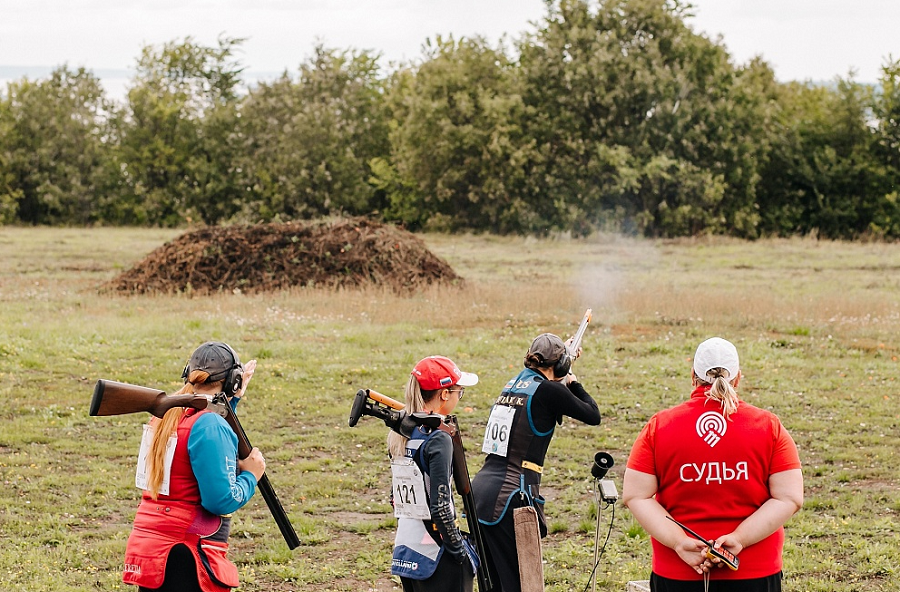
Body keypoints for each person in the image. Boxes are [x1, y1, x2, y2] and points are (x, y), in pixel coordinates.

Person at [622, 337, 804, 592]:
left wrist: (678, 543)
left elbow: (636, 495)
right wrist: (739, 539)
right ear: (738, 377)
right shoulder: (768, 426)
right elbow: (789, 498)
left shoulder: (659, 426)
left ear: (693, 377)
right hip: (753, 571)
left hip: (678, 572)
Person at [123, 341, 266, 592]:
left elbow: (201, 427)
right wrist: (251, 476)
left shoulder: (165, 416)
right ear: (233, 380)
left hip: (155, 549)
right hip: (187, 552)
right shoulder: (210, 425)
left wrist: (232, 402)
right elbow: (220, 501)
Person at [471, 333, 601, 592]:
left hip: (481, 496)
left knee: (493, 584)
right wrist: (573, 382)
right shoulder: (550, 390)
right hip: (511, 497)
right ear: (561, 365)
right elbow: (592, 414)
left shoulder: (512, 384)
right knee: (522, 584)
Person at [387, 355, 480, 592]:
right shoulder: (438, 438)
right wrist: (459, 552)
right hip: (436, 553)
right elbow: (440, 505)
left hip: (407, 547)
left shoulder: (403, 434)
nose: (460, 396)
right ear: (444, 394)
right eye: (459, 390)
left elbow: (395, 497)